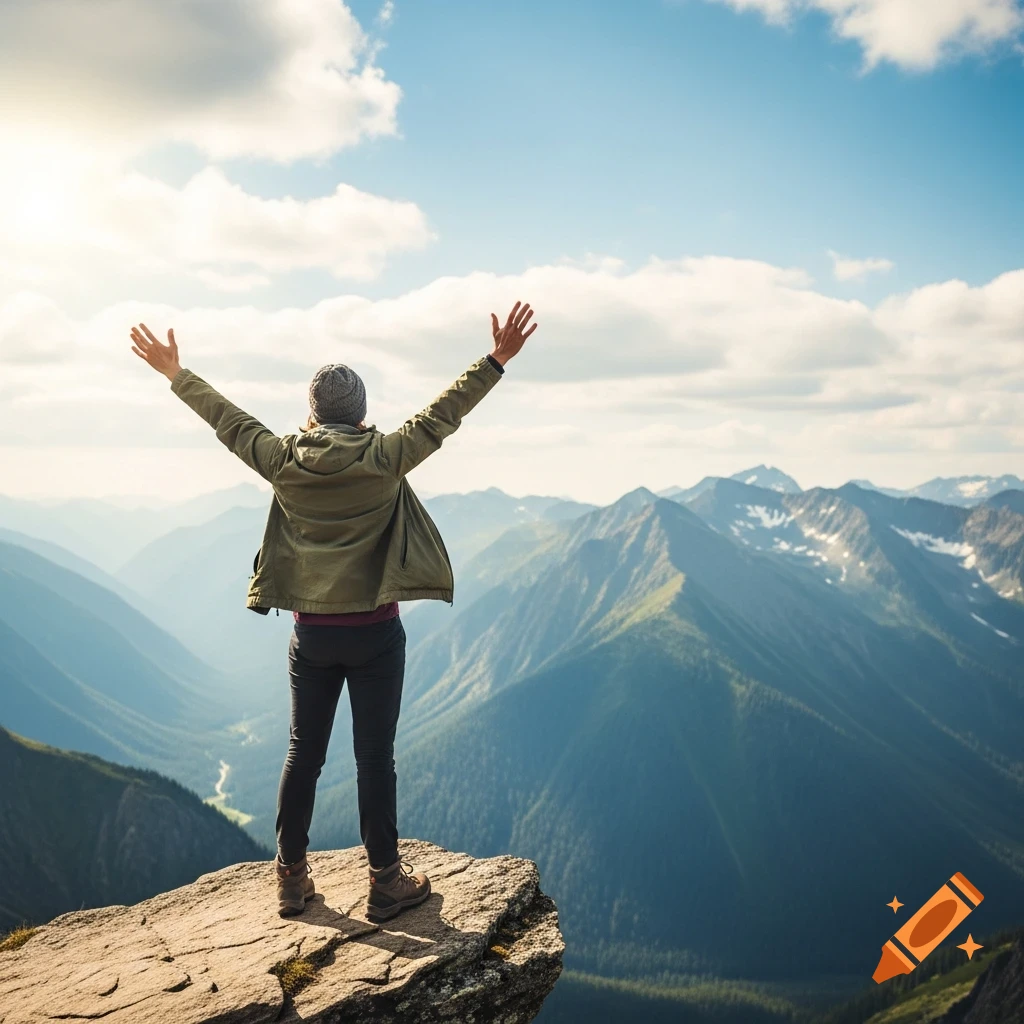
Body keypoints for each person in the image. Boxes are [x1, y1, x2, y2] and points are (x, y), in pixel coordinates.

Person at [130, 302, 538, 920]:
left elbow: (230, 421)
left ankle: (291, 878)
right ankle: (385, 880)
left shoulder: (282, 461)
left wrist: (176, 374)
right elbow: (443, 414)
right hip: (377, 634)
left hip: (311, 638)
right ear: (363, 413)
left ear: (313, 413)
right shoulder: (386, 457)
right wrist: (496, 360)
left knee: (303, 752)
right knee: (375, 756)